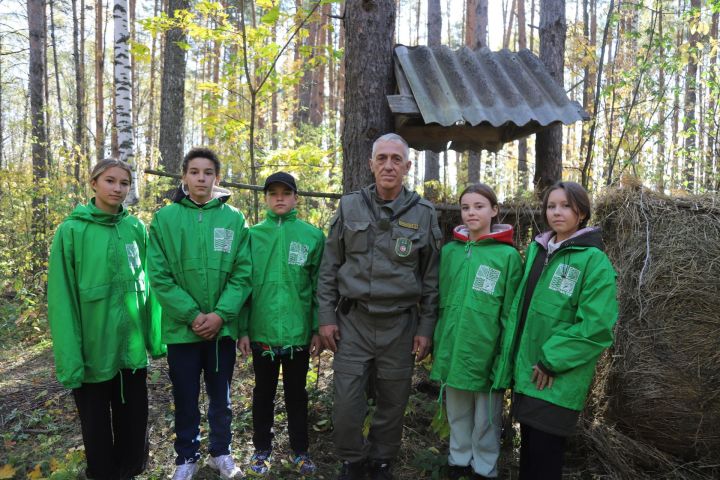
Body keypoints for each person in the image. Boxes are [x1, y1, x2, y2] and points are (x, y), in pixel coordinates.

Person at [317, 133, 442, 480]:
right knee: (346, 402)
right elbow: (329, 267)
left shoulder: (424, 213)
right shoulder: (349, 207)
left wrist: (425, 328)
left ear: (407, 166)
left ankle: (382, 460)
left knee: (393, 400)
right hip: (353, 321)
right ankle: (353, 460)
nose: (389, 165)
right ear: (371, 164)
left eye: (396, 159)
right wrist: (326, 318)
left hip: (400, 325)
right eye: (382, 158)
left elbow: (431, 278)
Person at [47, 159, 165, 480]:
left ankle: (130, 472)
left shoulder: (136, 229)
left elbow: (150, 285)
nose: (117, 188)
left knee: (133, 432)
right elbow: (62, 300)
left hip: (131, 355)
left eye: (124, 183)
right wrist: (71, 361)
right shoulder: (71, 232)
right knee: (98, 438)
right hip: (92, 357)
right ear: (94, 183)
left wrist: (155, 338)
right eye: (110, 181)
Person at [493, 181, 618, 480]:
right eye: (551, 206)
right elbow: (520, 311)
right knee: (530, 458)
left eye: (565, 206)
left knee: (544, 459)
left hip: (555, 377)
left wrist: (552, 360)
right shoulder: (538, 250)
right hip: (527, 372)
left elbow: (596, 326)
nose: (557, 212)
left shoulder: (593, 260)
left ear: (583, 212)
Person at [147, 147, 251, 480]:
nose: (201, 178)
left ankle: (221, 453)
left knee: (221, 396)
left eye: (208, 172)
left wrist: (220, 315)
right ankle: (186, 458)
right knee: (186, 396)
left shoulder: (234, 219)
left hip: (221, 330)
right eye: (194, 172)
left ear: (216, 178)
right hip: (182, 330)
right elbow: (159, 276)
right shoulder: (165, 219)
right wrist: (192, 315)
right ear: (184, 178)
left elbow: (243, 272)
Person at [430, 183, 523, 480]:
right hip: (454, 345)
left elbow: (510, 310)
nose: (472, 213)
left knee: (486, 416)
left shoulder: (507, 257)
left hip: (486, 347)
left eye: (479, 206)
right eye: (466, 207)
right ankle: (458, 461)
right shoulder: (450, 252)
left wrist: (504, 354)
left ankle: (484, 467)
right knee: (457, 410)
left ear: (494, 211)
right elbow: (438, 299)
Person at [237, 171, 325, 477]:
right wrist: (244, 329)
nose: (279, 198)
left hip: (297, 334)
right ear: (265, 198)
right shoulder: (251, 236)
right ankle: (262, 449)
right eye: (273, 193)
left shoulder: (312, 236)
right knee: (262, 394)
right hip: (262, 333)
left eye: (285, 193)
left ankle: (300, 451)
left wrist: (316, 328)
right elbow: (243, 286)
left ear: (296, 198)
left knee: (296, 394)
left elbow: (318, 288)